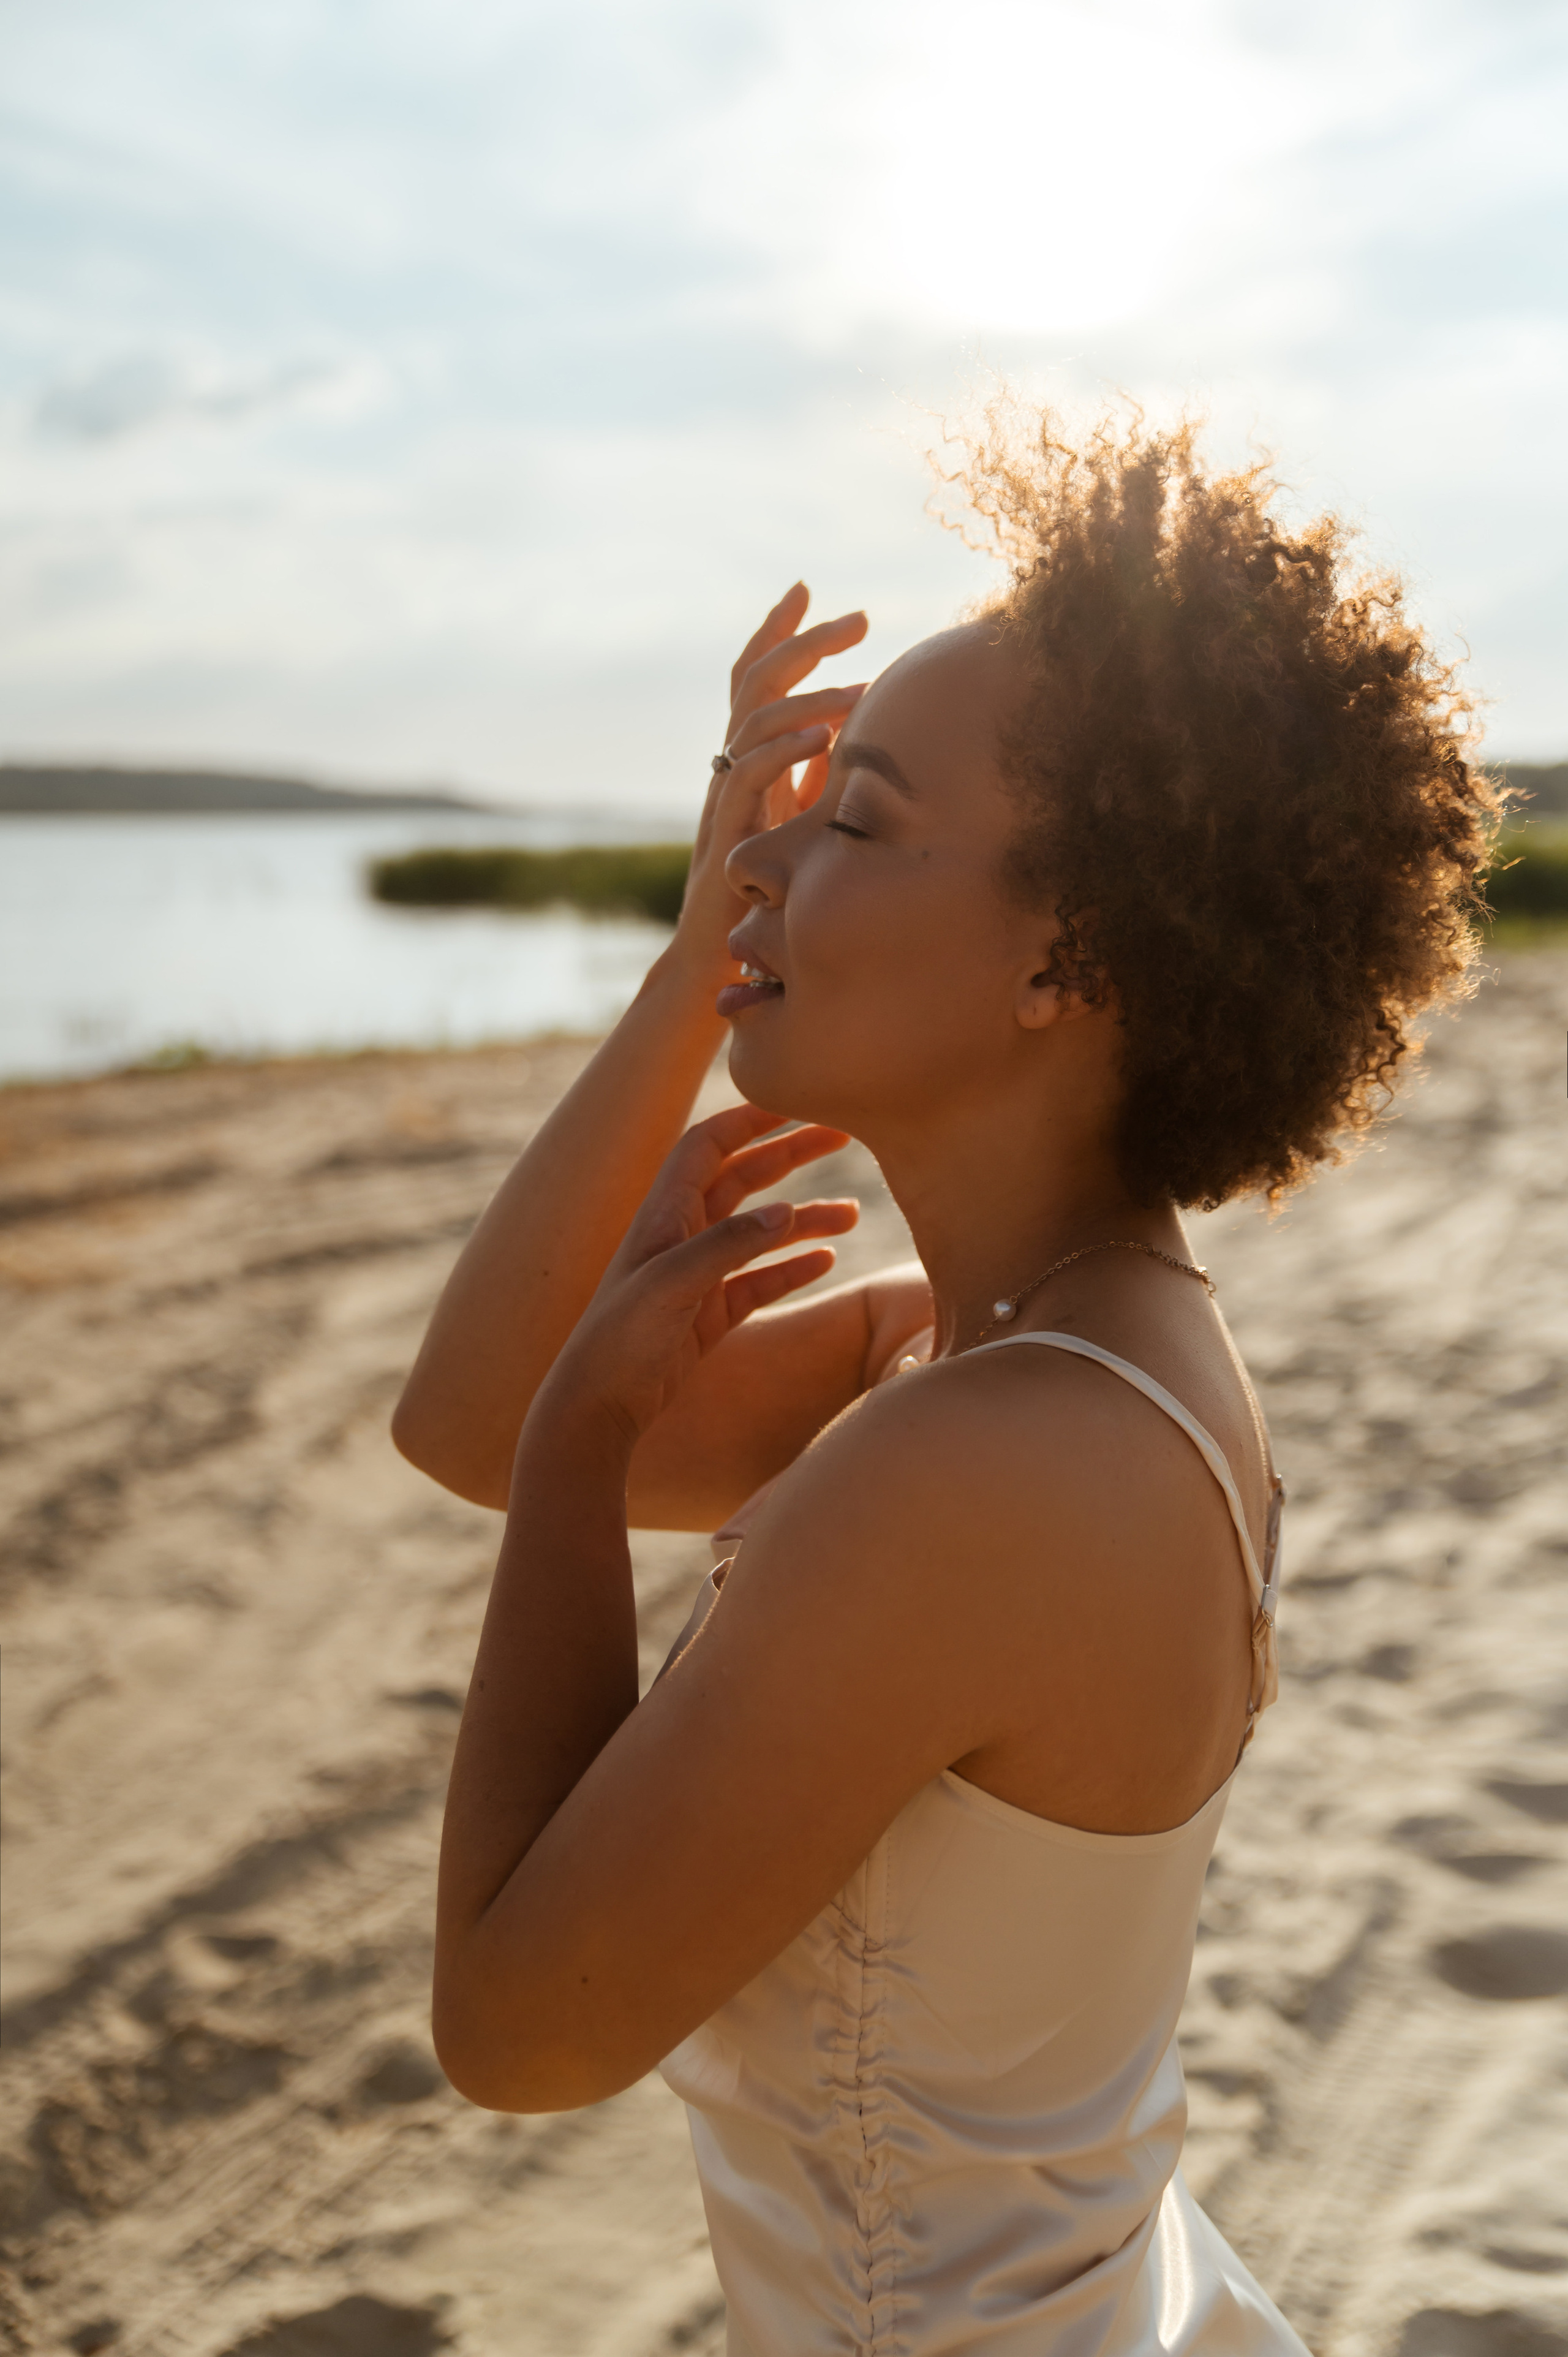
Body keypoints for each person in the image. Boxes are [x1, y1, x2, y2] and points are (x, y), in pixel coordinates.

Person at [394, 405, 1501, 2355]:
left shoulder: (990, 1460)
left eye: (860, 820)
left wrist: (592, 1443)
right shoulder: (1035, 1346)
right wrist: (698, 967)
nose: (771, 855)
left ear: (1064, 955)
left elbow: (513, 2029)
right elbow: (463, 1421)